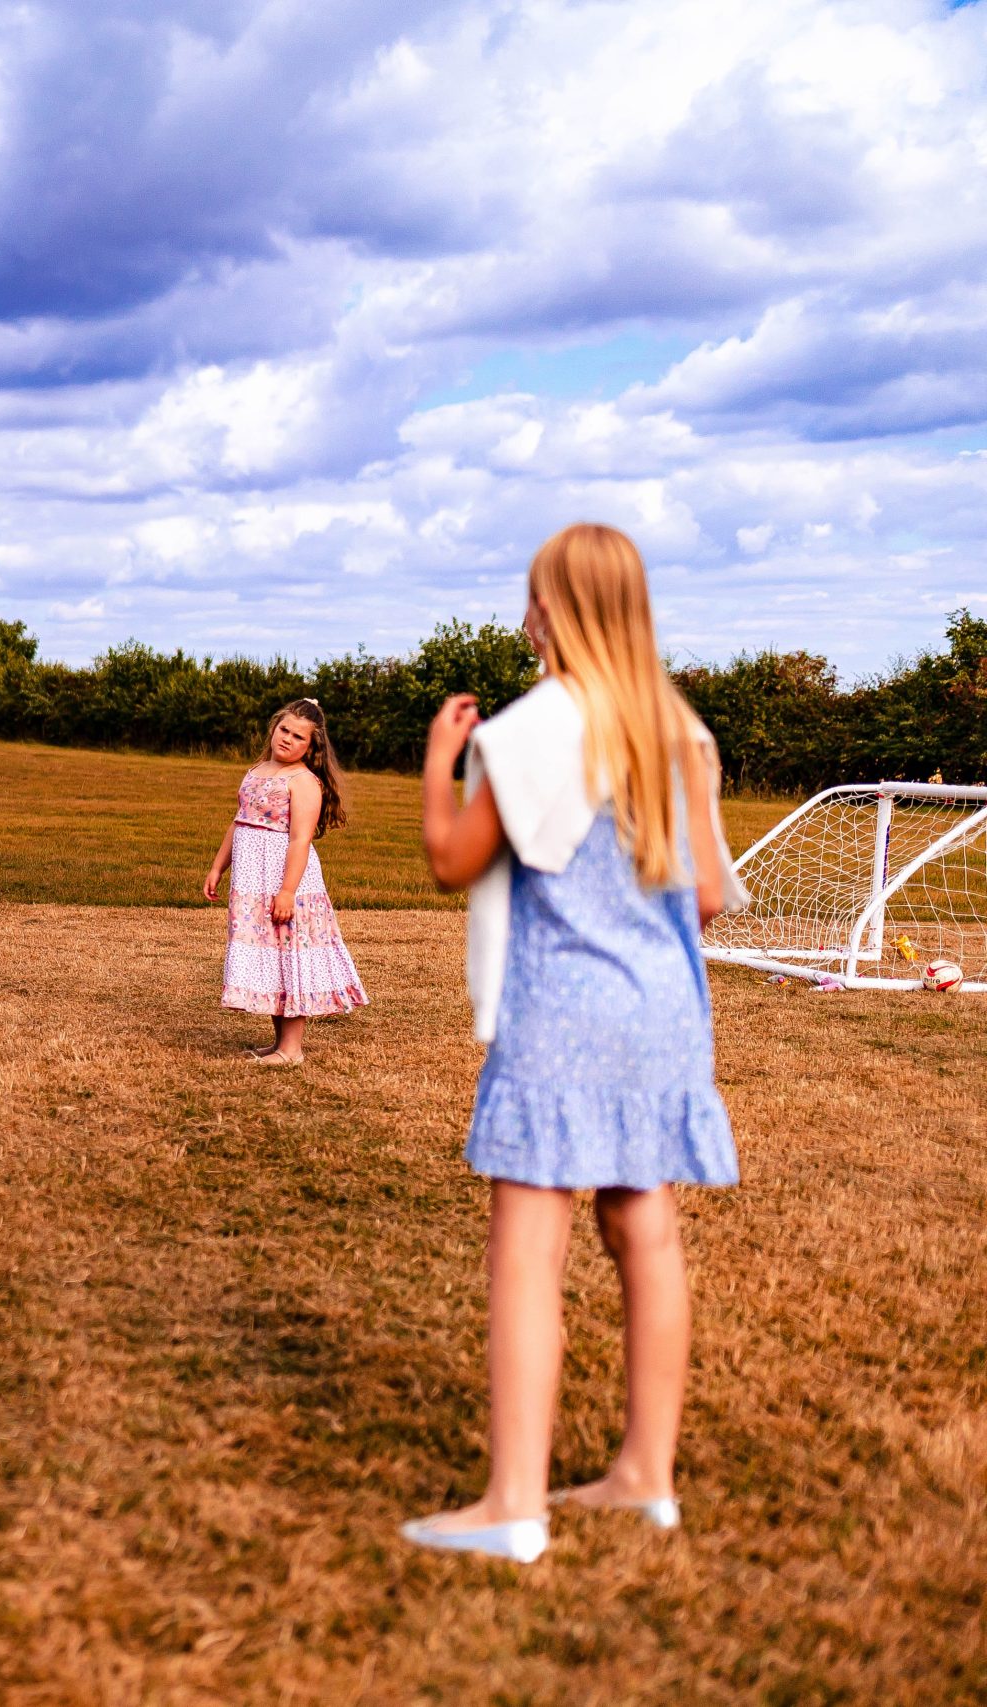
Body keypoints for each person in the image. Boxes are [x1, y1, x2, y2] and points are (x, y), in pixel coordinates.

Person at [400, 523, 745, 1564]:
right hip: (662, 1017)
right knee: (644, 1229)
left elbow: (453, 862)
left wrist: (436, 768)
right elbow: (713, 896)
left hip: (562, 1016)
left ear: (553, 609)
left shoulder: (534, 728)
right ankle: (645, 1474)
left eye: (532, 596)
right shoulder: (673, 727)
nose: (525, 614)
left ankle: (513, 1502)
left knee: (528, 1251)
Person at [205, 697, 367, 1062]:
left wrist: (288, 891)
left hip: (285, 879)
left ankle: (292, 1049)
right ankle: (278, 1043)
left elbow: (299, 839)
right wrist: (218, 866)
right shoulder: (257, 769)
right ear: (274, 727)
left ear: (311, 747)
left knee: (290, 954)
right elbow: (239, 821)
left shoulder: (304, 781)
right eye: (284, 730)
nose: (288, 739)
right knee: (271, 955)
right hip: (252, 880)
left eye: (298, 737)